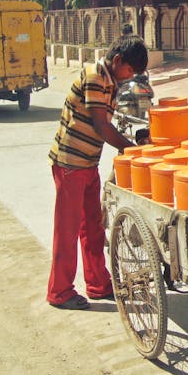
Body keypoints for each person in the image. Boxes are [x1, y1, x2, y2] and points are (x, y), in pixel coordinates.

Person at [47, 35, 148, 310]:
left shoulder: (109, 81)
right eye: (129, 71)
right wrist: (132, 151)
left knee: (92, 227)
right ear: (117, 61)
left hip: (87, 164)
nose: (129, 78)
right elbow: (102, 126)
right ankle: (60, 291)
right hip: (69, 164)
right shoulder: (95, 76)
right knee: (66, 231)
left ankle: (97, 284)